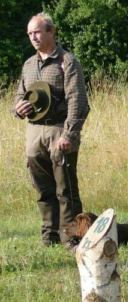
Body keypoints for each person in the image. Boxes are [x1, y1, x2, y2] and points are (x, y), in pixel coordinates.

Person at [14, 14, 89, 246]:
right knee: (43, 190)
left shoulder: (67, 62)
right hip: (34, 132)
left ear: (51, 32)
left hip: (59, 130)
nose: (33, 37)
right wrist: (18, 108)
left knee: (65, 190)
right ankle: (50, 237)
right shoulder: (28, 64)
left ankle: (72, 238)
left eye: (37, 32)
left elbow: (78, 101)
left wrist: (69, 134)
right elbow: (19, 95)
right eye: (29, 34)